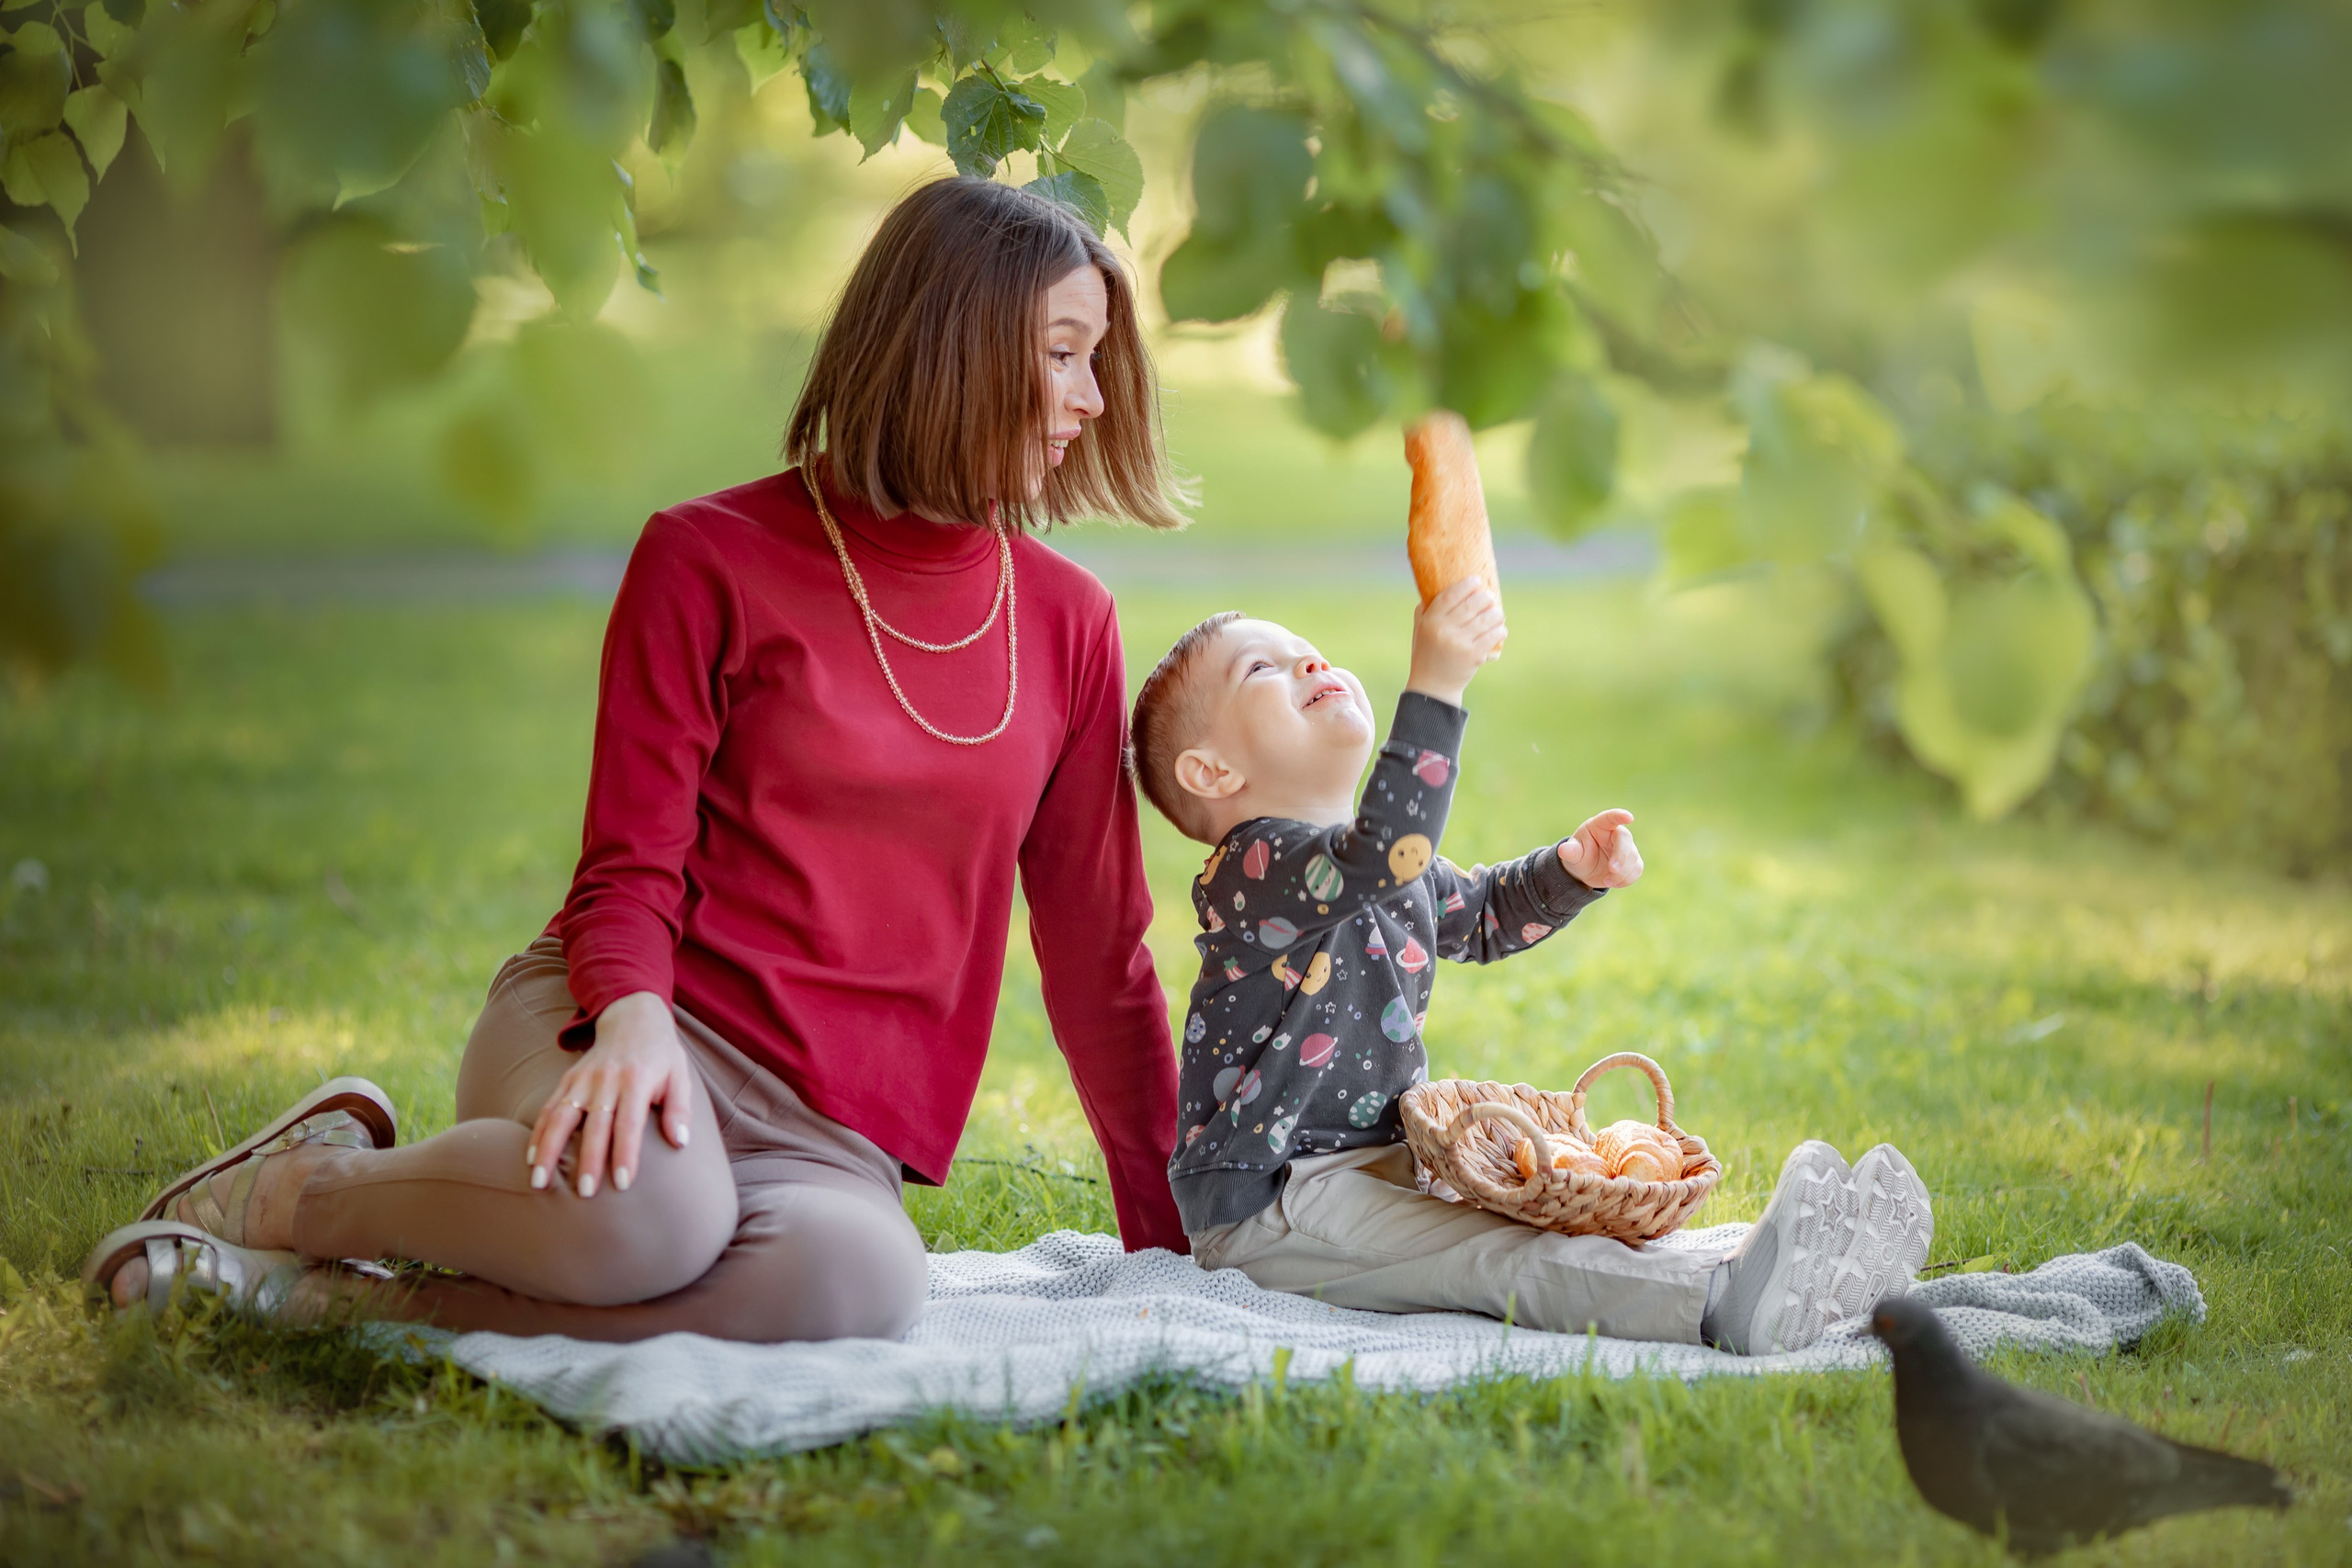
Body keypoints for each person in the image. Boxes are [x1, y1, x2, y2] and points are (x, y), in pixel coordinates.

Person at [84, 176, 1193, 1341]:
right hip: (625, 1019)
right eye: (1064, 355)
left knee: (858, 1290)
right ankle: (299, 1192)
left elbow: (1097, 961)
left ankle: (323, 1308)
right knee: (653, 1219)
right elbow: (628, 866)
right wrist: (633, 1022)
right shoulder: (708, 559)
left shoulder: (1068, 624)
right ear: (954, 351)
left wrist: (1170, 1247)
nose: (1091, 399)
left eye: (1099, 360)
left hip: (824, 1137)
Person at [1125, 581, 1935, 1352]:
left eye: (1308, 649)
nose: (1309, 662)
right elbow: (1390, 847)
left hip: (1379, 1171)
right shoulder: (1253, 867)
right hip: (1273, 1199)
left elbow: (1478, 915)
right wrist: (1439, 681)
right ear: (1213, 773)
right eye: (1262, 667)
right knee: (1493, 1255)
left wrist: (1569, 871)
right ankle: (1720, 1300)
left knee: (1532, 1224)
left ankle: (1824, 1283)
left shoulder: (1378, 867)